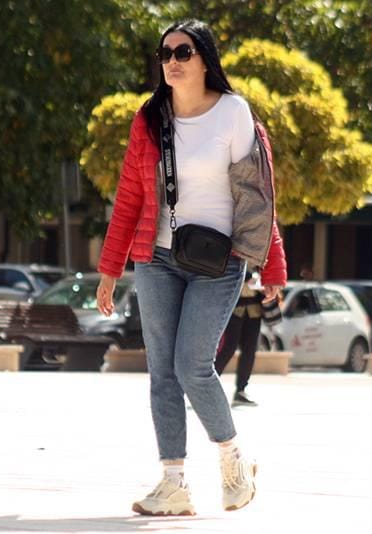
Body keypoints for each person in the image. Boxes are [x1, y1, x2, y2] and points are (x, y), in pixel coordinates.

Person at [95, 19, 287, 516]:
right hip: (156, 258)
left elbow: (258, 197)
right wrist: (110, 268)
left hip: (218, 261)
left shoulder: (233, 112)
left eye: (183, 52)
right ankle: (173, 482)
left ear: (205, 59)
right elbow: (129, 197)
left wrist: (272, 266)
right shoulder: (149, 118)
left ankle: (232, 460)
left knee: (192, 366)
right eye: (165, 54)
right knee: (162, 372)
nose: (172, 62)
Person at [215, 271, 265, 407]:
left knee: (250, 351)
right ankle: (206, 385)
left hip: (254, 310)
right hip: (234, 308)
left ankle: (241, 391)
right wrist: (249, 276)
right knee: (228, 348)